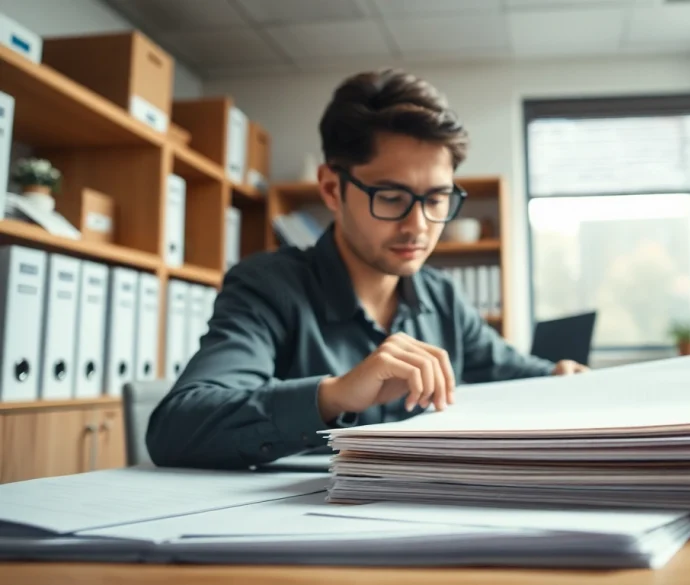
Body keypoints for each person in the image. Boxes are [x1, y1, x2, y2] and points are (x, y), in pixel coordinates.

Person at [147, 69, 587, 469]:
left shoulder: (441, 296)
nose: (418, 226)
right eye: (391, 198)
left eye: (436, 199)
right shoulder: (267, 287)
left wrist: (560, 378)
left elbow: (516, 371)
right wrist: (334, 395)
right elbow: (176, 427)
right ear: (331, 188)